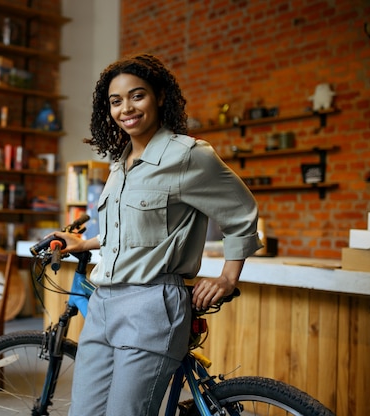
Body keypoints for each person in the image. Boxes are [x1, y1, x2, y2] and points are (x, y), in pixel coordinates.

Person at [54, 53, 263, 416]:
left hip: (151, 304)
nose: (126, 109)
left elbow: (241, 212)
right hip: (104, 304)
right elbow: (133, 231)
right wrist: (85, 242)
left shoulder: (188, 155)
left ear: (160, 97)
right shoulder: (120, 163)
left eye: (137, 96)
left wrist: (229, 277)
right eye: (116, 101)